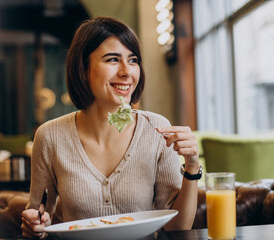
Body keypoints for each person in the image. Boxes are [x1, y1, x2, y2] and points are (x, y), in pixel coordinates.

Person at [21, 16, 200, 238]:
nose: (127, 72)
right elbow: (39, 218)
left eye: (133, 60)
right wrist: (36, 225)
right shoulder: (49, 136)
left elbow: (177, 228)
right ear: (83, 69)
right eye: (113, 59)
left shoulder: (157, 129)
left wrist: (192, 167)